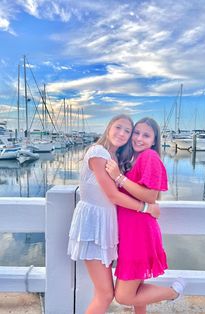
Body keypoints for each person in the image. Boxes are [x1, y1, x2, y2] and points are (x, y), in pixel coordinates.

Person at [67, 114, 161, 314]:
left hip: (108, 227)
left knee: (127, 288)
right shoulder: (98, 152)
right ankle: (173, 292)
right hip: (93, 227)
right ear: (108, 127)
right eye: (119, 127)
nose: (123, 134)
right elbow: (113, 196)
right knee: (106, 294)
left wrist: (146, 201)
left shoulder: (117, 158)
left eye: (128, 131)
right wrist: (146, 207)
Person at [105, 117, 185, 313]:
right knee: (137, 289)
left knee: (124, 295)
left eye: (146, 135)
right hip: (131, 232)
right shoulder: (134, 159)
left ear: (154, 140)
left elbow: (151, 196)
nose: (139, 138)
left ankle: (173, 292)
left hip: (139, 234)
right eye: (136, 133)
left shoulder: (149, 157)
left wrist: (118, 177)